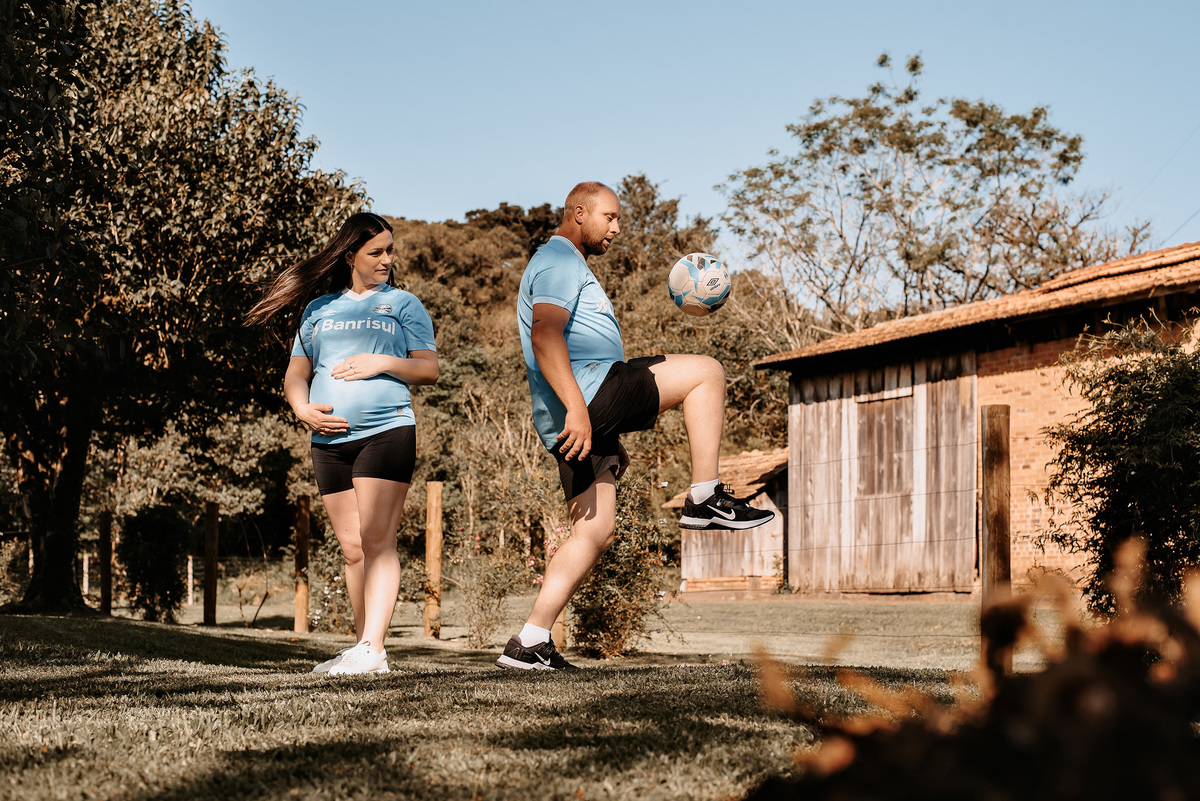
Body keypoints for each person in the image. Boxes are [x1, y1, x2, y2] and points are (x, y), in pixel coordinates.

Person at [496, 182, 773, 671]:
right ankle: (705, 496)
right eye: (610, 217)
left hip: (577, 413)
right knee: (707, 372)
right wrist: (582, 411)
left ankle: (530, 642)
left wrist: (602, 427)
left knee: (594, 532)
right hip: (586, 397)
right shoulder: (558, 259)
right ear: (578, 213)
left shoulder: (566, 263)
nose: (617, 228)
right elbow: (545, 336)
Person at [248, 212, 438, 675]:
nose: (386, 259)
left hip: (385, 431)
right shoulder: (318, 309)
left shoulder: (403, 304)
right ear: (350, 255)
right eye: (376, 252)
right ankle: (363, 649)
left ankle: (373, 646)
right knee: (353, 549)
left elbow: (428, 369)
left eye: (390, 250)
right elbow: (296, 373)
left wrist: (381, 362)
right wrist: (302, 408)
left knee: (377, 540)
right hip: (328, 440)